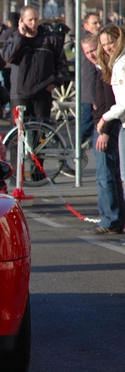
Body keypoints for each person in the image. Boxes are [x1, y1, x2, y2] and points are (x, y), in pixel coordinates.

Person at [82, 32, 125, 234]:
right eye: (87, 52)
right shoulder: (102, 68)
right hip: (105, 124)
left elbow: (112, 103)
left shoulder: (110, 68)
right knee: (113, 175)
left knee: (106, 174)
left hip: (109, 126)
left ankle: (111, 219)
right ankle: (115, 217)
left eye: (93, 50)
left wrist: (105, 130)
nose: (91, 54)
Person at [2, 5, 67, 119]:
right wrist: (20, 36)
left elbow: (62, 63)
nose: (33, 23)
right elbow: (8, 58)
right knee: (21, 133)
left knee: (42, 133)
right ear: (21, 21)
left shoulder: (50, 39)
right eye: (30, 20)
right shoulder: (14, 38)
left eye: (36, 19)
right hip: (20, 95)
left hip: (42, 94)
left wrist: (55, 82)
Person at [97, 24, 125, 220]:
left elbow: (123, 103)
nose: (107, 47)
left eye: (110, 42)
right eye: (104, 44)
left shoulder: (121, 64)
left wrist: (105, 118)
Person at [80, 13, 101, 146]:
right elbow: (89, 74)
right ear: (86, 26)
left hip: (91, 94)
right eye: (95, 23)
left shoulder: (95, 40)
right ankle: (70, 155)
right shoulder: (88, 44)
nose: (98, 26)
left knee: (87, 129)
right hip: (89, 95)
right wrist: (94, 100)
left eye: (99, 22)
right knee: (85, 129)